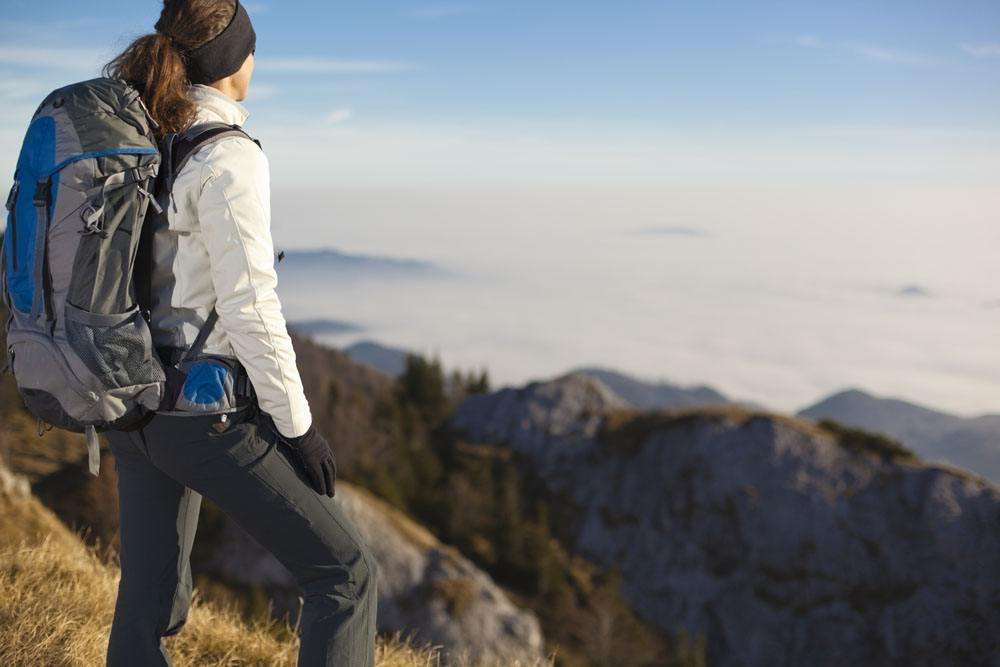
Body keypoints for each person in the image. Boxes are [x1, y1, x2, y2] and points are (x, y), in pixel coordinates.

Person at [101, 2, 378, 665]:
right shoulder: (227, 158)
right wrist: (297, 426)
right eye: (252, 48)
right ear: (231, 61)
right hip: (200, 416)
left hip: (128, 404)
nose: (256, 61)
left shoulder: (141, 136)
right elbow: (251, 305)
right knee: (345, 573)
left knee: (146, 601)